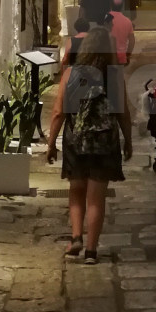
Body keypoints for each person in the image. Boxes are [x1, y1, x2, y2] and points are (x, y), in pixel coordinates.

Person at [45, 25, 131, 263]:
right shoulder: (113, 76)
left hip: (76, 138)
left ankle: (75, 238)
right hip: (104, 140)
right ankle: (92, 251)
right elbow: (123, 113)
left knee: (76, 190)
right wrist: (128, 141)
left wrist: (51, 143)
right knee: (96, 197)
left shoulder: (71, 74)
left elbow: (58, 112)